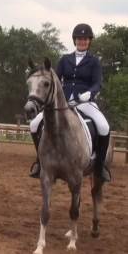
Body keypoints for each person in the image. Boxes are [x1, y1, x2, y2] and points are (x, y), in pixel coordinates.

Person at [29, 23, 111, 182]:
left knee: (104, 126)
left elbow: (98, 83)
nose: (82, 41)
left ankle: (100, 167)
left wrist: (90, 93)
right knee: (34, 125)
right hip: (63, 103)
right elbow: (55, 80)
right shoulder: (65, 59)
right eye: (80, 39)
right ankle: (40, 162)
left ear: (89, 41)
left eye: (86, 39)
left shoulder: (94, 61)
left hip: (86, 102)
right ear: (75, 40)